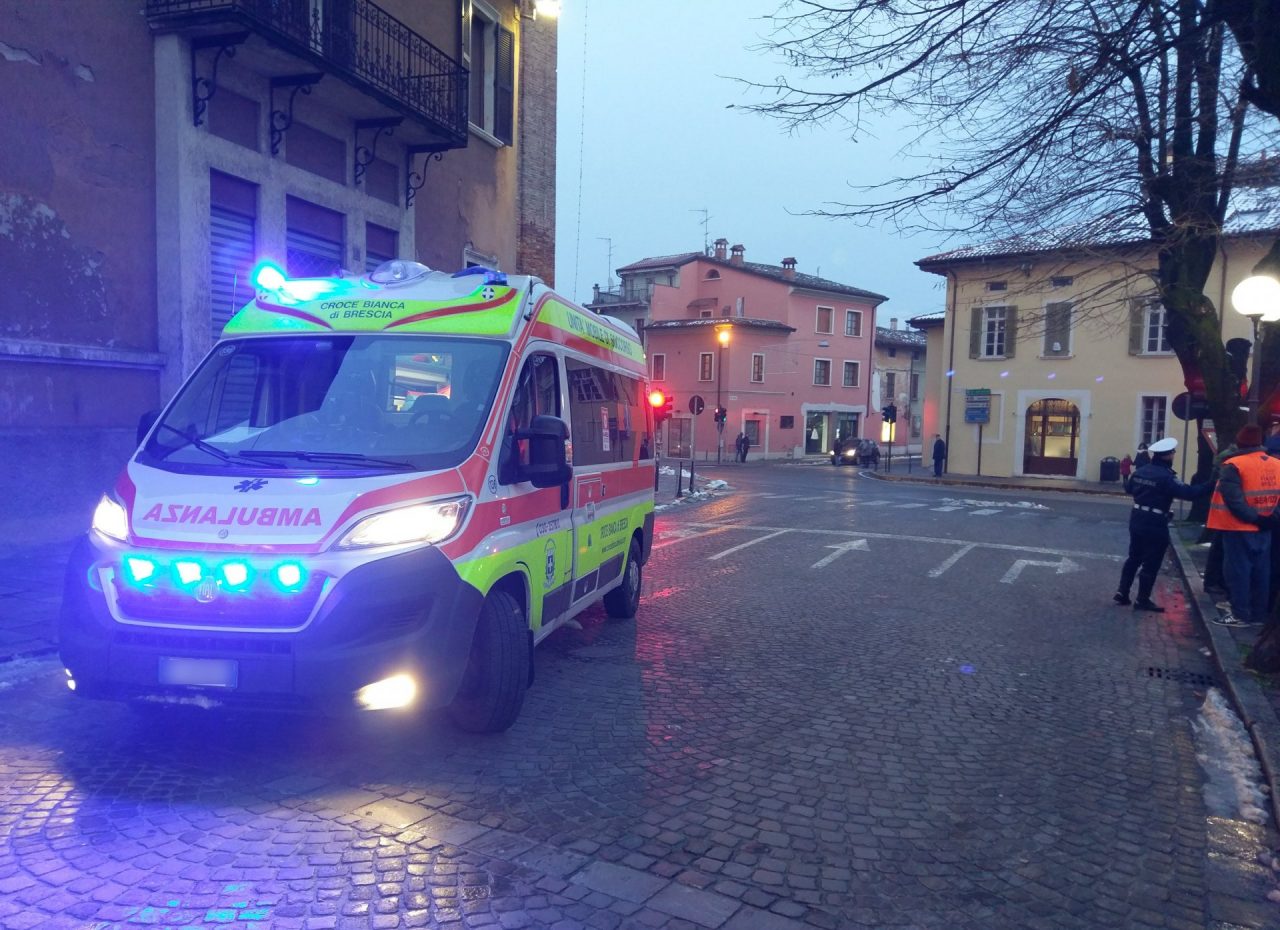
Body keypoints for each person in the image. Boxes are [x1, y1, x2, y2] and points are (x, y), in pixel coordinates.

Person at [1115, 436, 1213, 612]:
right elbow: (1189, 493)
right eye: (1173, 453)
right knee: (1151, 562)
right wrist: (1211, 485)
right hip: (1155, 522)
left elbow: (1129, 488)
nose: (1174, 455)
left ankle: (1122, 592)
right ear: (1167, 456)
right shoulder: (1167, 477)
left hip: (1137, 517)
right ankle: (1142, 599)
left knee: (1134, 557)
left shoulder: (1141, 471)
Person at [1206, 424, 1280, 626]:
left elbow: (1235, 501)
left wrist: (1255, 518)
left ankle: (1240, 614)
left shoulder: (1234, 465)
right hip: (1265, 528)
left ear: (1239, 442)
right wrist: (1270, 519)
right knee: (1261, 572)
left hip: (1238, 527)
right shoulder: (1275, 464)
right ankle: (1258, 614)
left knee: (1237, 572)